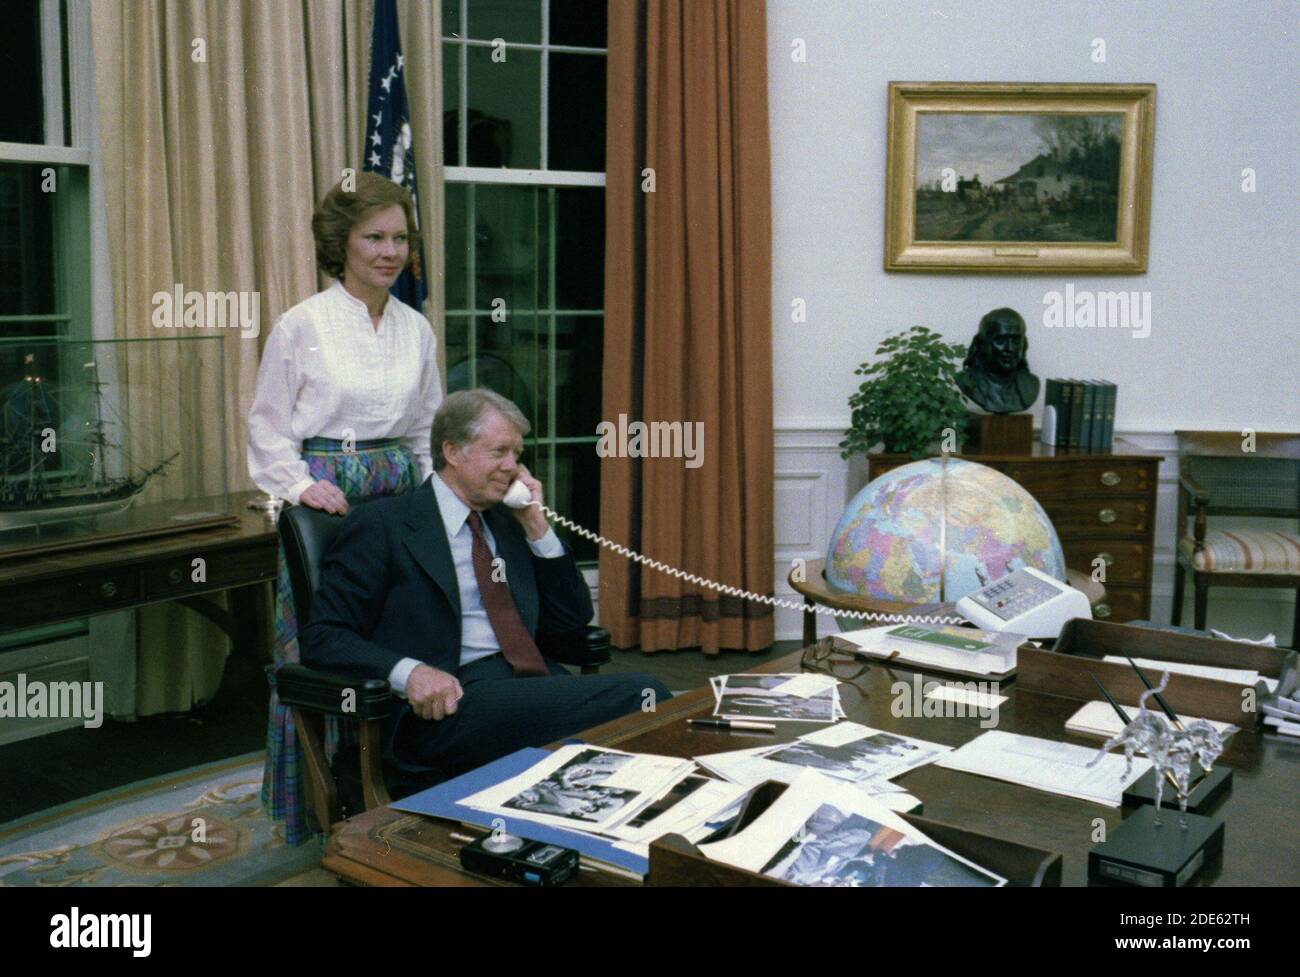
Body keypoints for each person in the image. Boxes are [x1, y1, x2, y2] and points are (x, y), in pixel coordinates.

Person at [300, 389, 672, 786]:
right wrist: (410, 674)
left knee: (624, 737)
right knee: (642, 695)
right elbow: (324, 636)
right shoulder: (383, 525)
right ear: (453, 452)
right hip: (450, 702)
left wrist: (536, 526)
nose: (513, 467)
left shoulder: (509, 522)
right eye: (499, 452)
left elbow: (571, 623)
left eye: (517, 454)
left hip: (526, 685)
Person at [247, 172, 442, 844]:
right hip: (327, 503)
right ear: (342, 242)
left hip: (400, 491)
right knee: (327, 647)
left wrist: (432, 501)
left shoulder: (417, 329)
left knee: (405, 639)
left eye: (399, 237)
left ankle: (397, 786)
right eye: (374, 237)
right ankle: (317, 803)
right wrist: (301, 487)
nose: (390, 251)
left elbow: (426, 430)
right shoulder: (300, 324)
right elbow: (268, 426)